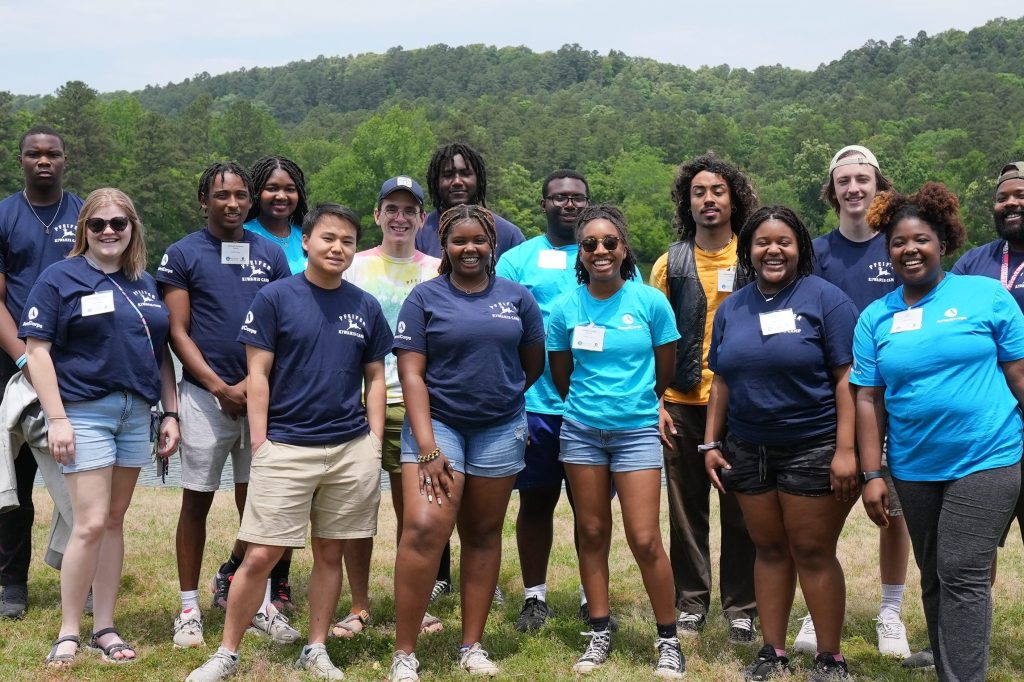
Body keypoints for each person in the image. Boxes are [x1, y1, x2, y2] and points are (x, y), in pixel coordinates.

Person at [187, 203, 392, 682]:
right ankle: (226, 652)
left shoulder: (364, 305)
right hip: (286, 445)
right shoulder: (276, 298)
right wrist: (260, 442)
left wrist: (374, 440)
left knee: (330, 552)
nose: (337, 248)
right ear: (306, 241)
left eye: (346, 241)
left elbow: (376, 378)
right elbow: (257, 374)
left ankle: (315, 646)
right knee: (261, 553)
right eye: (328, 238)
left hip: (349, 447)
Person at [854, 182, 1024, 682]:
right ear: (888, 251)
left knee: (963, 572)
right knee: (935, 575)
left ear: (943, 243)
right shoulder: (875, 318)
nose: (910, 249)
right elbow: (868, 398)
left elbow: (1018, 374)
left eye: (921, 239)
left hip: (988, 456)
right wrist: (872, 473)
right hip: (913, 466)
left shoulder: (985, 295)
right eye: (899, 242)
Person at [21, 188, 180, 667]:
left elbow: (160, 354)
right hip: (84, 413)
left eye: (119, 223)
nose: (109, 232)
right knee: (88, 523)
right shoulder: (60, 278)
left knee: (113, 521)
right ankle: (69, 629)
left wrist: (170, 412)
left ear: (133, 228)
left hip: (137, 414)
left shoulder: (144, 282)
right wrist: (58, 418)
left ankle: (104, 626)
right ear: (83, 229)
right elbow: (37, 351)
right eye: (98, 224)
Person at [703, 206, 860, 681]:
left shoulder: (826, 300)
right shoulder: (734, 306)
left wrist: (846, 450)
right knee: (768, 549)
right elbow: (722, 379)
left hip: (813, 445)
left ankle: (830, 658)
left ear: (800, 248)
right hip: (748, 449)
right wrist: (710, 441)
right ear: (749, 250)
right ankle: (772, 652)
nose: (773, 250)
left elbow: (847, 378)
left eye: (784, 242)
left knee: (812, 550)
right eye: (762, 243)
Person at [389, 205, 545, 682]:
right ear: (445, 245)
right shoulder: (424, 298)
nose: (470, 248)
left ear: (492, 244)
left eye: (479, 240)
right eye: (459, 241)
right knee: (423, 529)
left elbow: (532, 363)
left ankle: (471, 645)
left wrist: (501, 396)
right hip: (439, 427)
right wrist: (430, 447)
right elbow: (410, 373)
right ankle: (404, 652)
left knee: (482, 533)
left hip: (499, 429)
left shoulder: (517, 298)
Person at [156, 162, 291, 648]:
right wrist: (219, 387)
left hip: (259, 400)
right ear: (203, 200)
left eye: (239, 195)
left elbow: (281, 326)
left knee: (258, 504)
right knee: (196, 501)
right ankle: (189, 607)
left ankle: (258, 605)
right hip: (202, 397)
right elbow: (177, 332)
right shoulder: (181, 254)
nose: (232, 204)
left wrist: (252, 388)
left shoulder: (271, 253)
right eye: (221, 195)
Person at [547, 204, 685, 678]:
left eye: (609, 243)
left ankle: (668, 639)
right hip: (582, 432)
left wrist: (640, 404)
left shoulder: (650, 303)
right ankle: (600, 629)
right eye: (590, 244)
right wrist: (593, 407)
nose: (601, 251)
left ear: (624, 249)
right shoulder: (566, 308)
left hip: (637, 432)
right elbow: (562, 376)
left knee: (646, 539)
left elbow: (665, 369)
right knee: (591, 533)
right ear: (580, 254)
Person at [807, 145, 912, 659]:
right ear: (833, 190)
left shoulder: (897, 246)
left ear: (878, 187)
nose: (854, 188)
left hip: (894, 399)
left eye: (863, 179)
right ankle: (816, 603)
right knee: (824, 504)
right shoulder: (816, 253)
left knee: (894, 509)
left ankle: (890, 611)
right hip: (829, 399)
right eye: (844, 180)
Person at [650, 154, 758, 643]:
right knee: (685, 508)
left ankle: (743, 606)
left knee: (742, 506)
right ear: (686, 202)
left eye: (717, 190)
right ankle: (691, 602)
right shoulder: (668, 263)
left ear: (733, 197)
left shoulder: (753, 255)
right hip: (681, 403)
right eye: (698, 192)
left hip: (742, 405)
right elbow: (654, 340)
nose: (708, 199)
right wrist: (655, 401)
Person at [341, 176, 442, 637]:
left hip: (417, 408)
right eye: (391, 209)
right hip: (354, 406)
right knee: (357, 511)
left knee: (415, 517)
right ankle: (359, 605)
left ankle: (415, 607)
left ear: (422, 219)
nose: (400, 218)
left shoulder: (438, 270)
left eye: (410, 210)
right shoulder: (353, 266)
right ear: (377, 215)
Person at [496, 168, 593, 632]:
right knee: (535, 502)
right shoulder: (517, 260)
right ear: (544, 204)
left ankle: (589, 594)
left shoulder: (603, 253)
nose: (568, 205)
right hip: (535, 404)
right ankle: (534, 596)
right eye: (559, 198)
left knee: (588, 508)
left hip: (590, 405)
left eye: (577, 198)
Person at [0, 125, 83, 620]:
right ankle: (11, 580)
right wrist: (26, 359)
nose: (44, 161)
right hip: (12, 362)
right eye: (35, 154)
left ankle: (84, 571)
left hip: (75, 362)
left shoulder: (84, 214)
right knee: (17, 478)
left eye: (53, 153)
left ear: (65, 159)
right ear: (21, 160)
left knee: (80, 476)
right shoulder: (5, 214)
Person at [953, 161, 1024, 585]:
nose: (1010, 203)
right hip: (984, 427)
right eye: (1003, 197)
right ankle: (960, 639)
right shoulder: (972, 263)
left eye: (1019, 196)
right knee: (972, 543)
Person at [415, 142, 525, 261]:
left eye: (466, 174)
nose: (457, 181)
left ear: (479, 179)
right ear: (436, 182)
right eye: (448, 175)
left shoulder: (508, 234)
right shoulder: (419, 232)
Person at [245, 155, 309, 275]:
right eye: (272, 188)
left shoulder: (307, 237)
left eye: (290, 189)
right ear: (256, 192)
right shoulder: (241, 235)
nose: (281, 196)